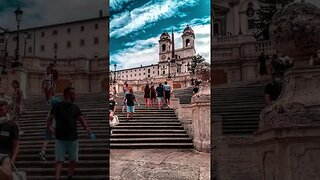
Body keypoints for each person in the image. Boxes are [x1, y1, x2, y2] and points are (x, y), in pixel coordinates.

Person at [47, 87, 92, 180]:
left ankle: (70, 176)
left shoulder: (75, 107)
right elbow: (50, 117)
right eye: (73, 94)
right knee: (59, 160)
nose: (74, 96)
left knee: (73, 159)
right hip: (60, 138)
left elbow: (81, 119)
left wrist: (87, 128)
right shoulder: (57, 106)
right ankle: (57, 178)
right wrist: (49, 126)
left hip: (73, 138)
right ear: (67, 94)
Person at [0, 100, 19, 179]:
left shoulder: (12, 125)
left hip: (6, 156)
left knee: (7, 174)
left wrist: (12, 161)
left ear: (7, 110)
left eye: (1, 109)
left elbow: (17, 145)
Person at [39, 96, 61, 161]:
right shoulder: (57, 110)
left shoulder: (50, 111)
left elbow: (47, 119)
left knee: (46, 139)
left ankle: (42, 152)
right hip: (54, 126)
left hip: (48, 126)